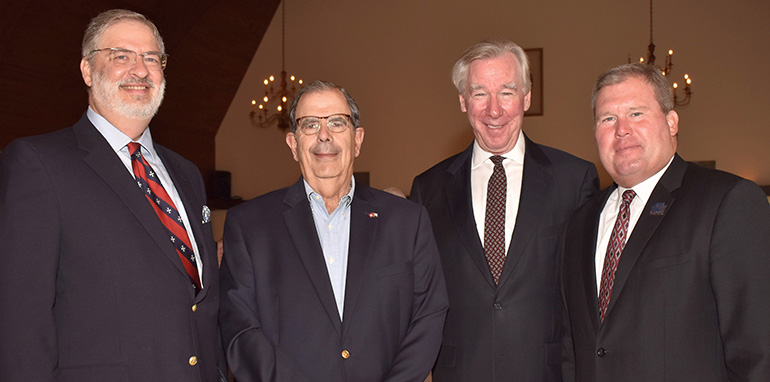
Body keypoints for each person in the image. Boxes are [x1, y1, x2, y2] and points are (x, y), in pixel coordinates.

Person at [0, 10, 222, 381]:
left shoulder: (186, 173)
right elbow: (20, 317)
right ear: (87, 70)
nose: (140, 69)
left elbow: (197, 301)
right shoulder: (38, 163)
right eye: (122, 56)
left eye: (152, 58)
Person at [219, 80, 448, 381]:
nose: (324, 136)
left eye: (337, 123)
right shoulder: (249, 226)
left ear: (358, 140)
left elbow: (428, 317)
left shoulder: (408, 221)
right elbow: (240, 329)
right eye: (310, 125)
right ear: (293, 144)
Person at [561, 63, 770, 381]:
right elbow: (572, 349)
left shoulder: (726, 201)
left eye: (636, 113)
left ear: (671, 122)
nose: (621, 130)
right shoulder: (580, 223)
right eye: (608, 119)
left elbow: (757, 352)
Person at [409, 40, 599, 381]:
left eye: (507, 92)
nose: (493, 110)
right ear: (463, 101)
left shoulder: (574, 180)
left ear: (527, 97)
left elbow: (587, 296)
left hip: (546, 372)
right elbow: (417, 297)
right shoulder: (428, 189)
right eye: (480, 93)